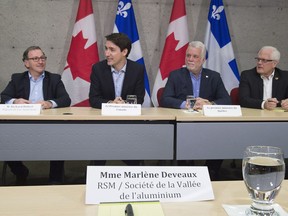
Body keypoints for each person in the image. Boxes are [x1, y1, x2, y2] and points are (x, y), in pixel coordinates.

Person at [161, 41, 231, 180]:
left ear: (203, 60)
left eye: (195, 56)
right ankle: (186, 172)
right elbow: (165, 99)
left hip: (209, 125)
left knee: (223, 138)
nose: (190, 59)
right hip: (184, 124)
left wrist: (209, 104)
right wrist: (185, 104)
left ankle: (212, 172)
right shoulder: (176, 75)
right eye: (188, 56)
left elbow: (226, 100)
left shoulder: (213, 76)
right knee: (184, 140)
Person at [1, 46, 71, 185]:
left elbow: (65, 99)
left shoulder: (54, 79)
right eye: (35, 59)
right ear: (26, 63)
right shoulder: (17, 79)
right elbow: (3, 96)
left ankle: (55, 179)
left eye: (42, 58)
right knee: (4, 142)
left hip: (48, 127)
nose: (40, 61)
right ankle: (21, 172)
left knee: (59, 141)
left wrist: (50, 103)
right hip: (22, 126)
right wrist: (15, 101)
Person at [89, 32, 145, 166]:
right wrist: (111, 104)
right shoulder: (98, 68)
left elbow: (140, 98)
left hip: (128, 123)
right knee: (98, 153)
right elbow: (94, 99)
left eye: (112, 50)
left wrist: (123, 105)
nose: (107, 53)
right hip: (103, 123)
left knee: (134, 158)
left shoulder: (137, 69)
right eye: (106, 49)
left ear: (124, 51)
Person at [239, 46, 288, 111]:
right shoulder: (247, 75)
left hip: (278, 116)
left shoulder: (285, 76)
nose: (259, 63)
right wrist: (264, 104)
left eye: (264, 60)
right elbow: (243, 100)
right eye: (258, 59)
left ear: (274, 63)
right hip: (255, 115)